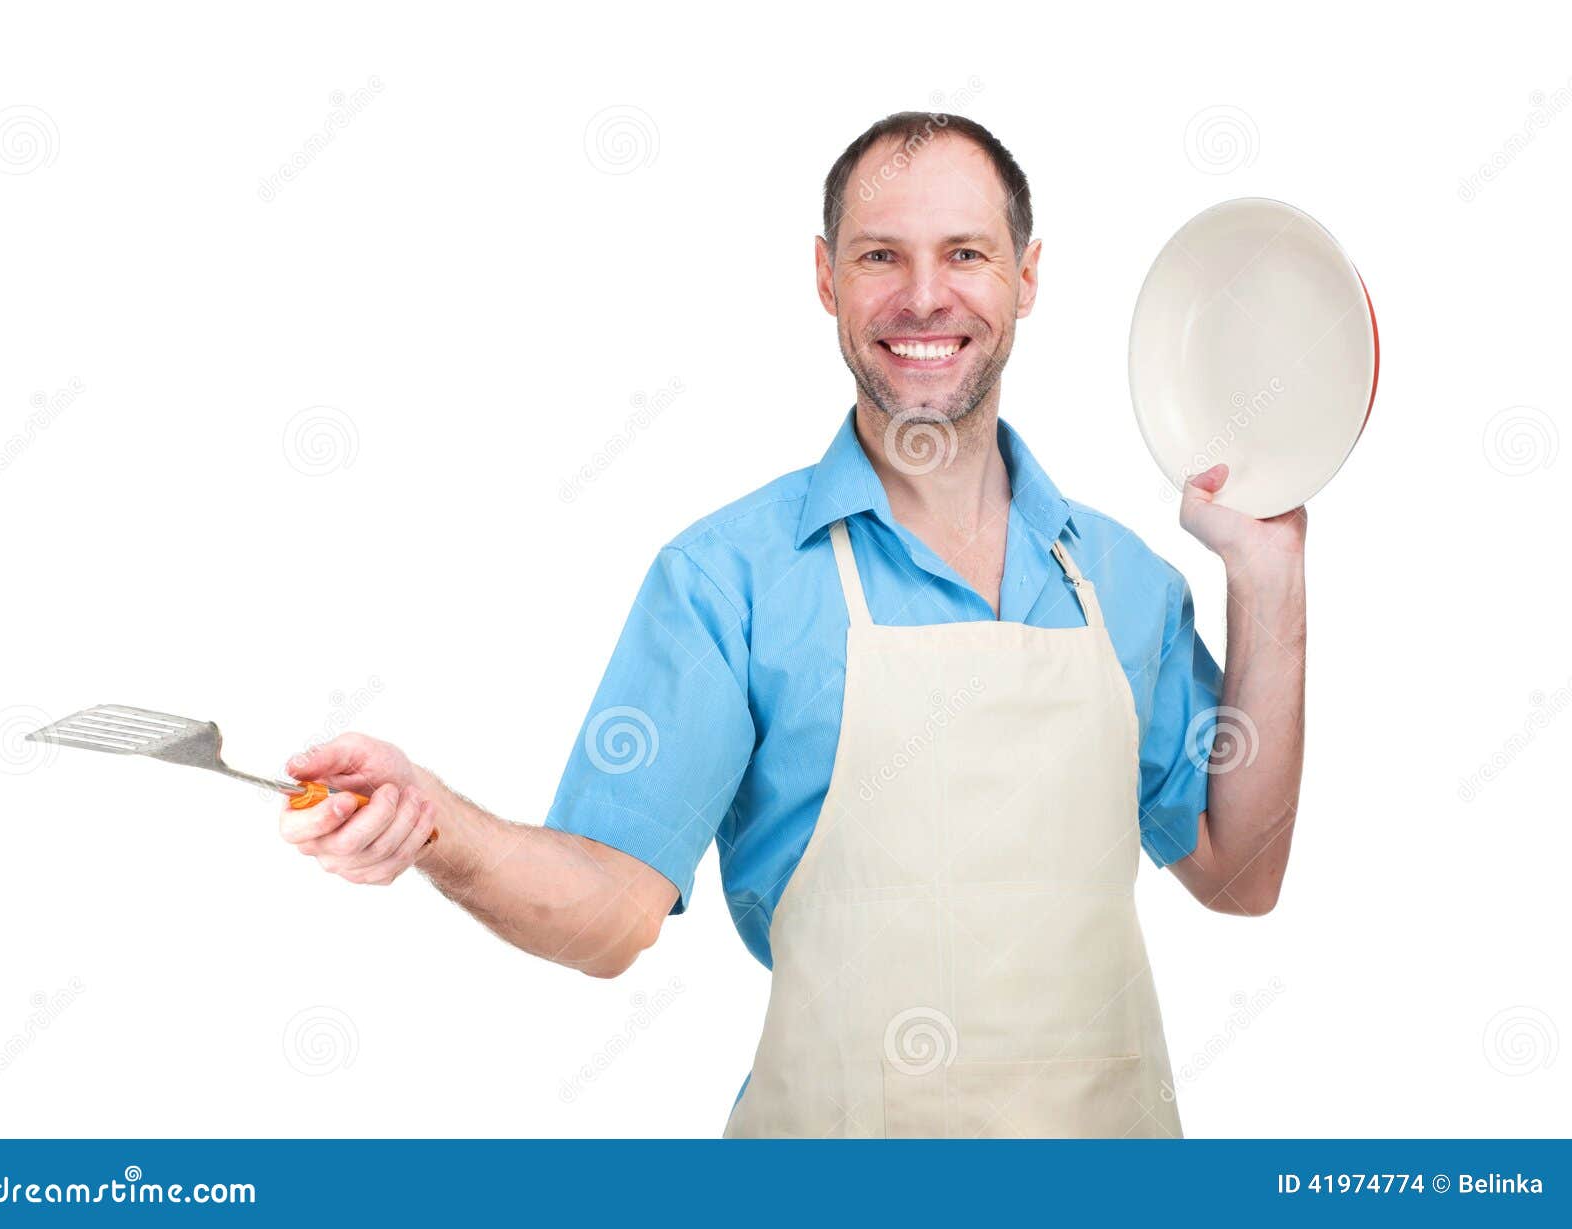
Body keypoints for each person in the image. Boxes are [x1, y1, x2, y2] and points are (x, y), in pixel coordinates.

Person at [278, 112, 1307, 1138]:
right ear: (825, 277)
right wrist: (439, 824)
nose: (922, 296)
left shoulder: (1122, 584)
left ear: (1026, 278)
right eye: (878, 255)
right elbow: (607, 912)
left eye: (965, 254)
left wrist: (1268, 580)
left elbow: (1239, 871)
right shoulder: (727, 581)